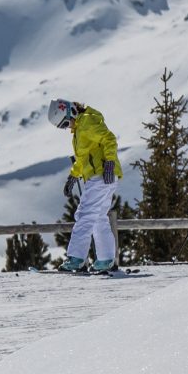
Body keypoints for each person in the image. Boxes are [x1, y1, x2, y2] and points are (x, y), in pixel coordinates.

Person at [48, 98, 121, 274]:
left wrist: (110, 162)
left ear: (71, 111)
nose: (67, 127)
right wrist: (73, 177)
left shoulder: (87, 121)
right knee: (97, 217)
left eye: (66, 123)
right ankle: (105, 259)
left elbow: (109, 139)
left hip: (102, 174)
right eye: (62, 126)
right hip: (101, 175)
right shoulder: (80, 129)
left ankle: (76, 258)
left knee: (85, 214)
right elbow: (83, 159)